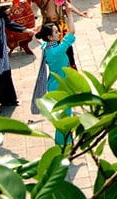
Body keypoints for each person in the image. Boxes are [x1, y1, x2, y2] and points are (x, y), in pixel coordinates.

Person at [31, 8, 76, 143]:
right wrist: (69, 14)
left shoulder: (47, 48)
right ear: (50, 37)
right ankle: (63, 144)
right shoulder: (58, 50)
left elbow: (39, 41)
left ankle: (65, 141)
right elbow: (72, 32)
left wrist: (36, 34)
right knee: (65, 117)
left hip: (53, 84)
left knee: (61, 116)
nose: (59, 33)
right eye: (56, 32)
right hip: (62, 85)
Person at [38, 0, 89, 68]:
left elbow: (67, 4)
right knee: (57, 51)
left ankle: (72, 71)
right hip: (52, 24)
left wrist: (80, 13)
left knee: (68, 50)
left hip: (62, 23)